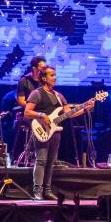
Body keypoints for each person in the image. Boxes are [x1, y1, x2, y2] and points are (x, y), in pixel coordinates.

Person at [23, 64, 66, 200]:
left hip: (55, 132)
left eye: (55, 75)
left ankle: (47, 191)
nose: (55, 78)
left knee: (51, 162)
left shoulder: (59, 96)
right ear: (43, 77)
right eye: (51, 75)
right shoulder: (37, 93)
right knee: (41, 161)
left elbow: (67, 113)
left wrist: (85, 108)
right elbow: (27, 112)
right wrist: (42, 115)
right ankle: (37, 192)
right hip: (41, 130)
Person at [11, 56, 46, 165]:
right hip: (27, 113)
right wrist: (33, 107)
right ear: (34, 68)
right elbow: (21, 101)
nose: (44, 70)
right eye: (42, 67)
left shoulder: (44, 82)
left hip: (41, 113)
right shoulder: (24, 81)